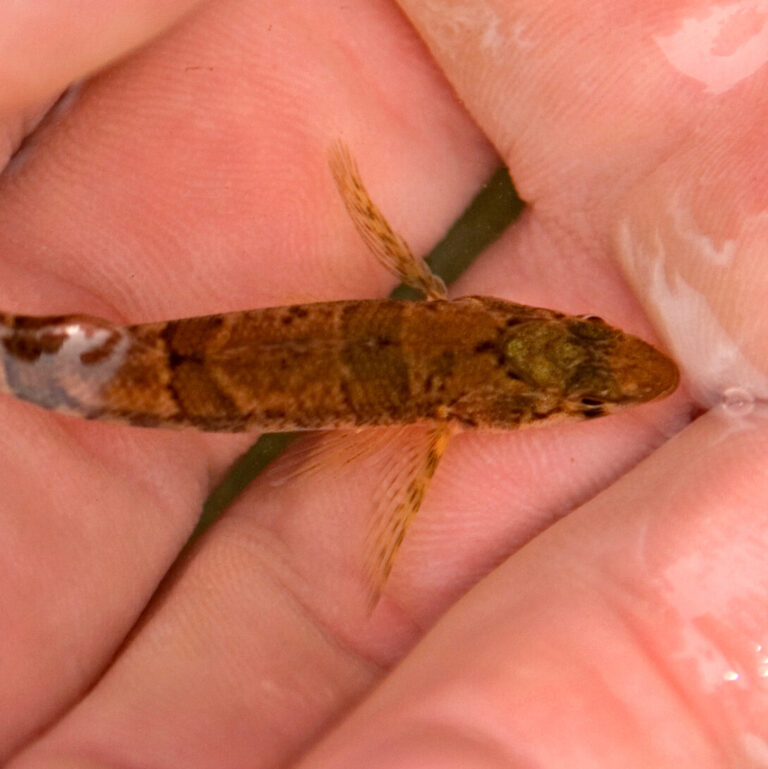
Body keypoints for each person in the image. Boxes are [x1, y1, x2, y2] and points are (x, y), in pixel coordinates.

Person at [2, 0, 763, 766]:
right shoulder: (440, 426)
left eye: (586, 382)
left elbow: (358, 195)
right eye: (586, 361)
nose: (603, 348)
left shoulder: (441, 312)